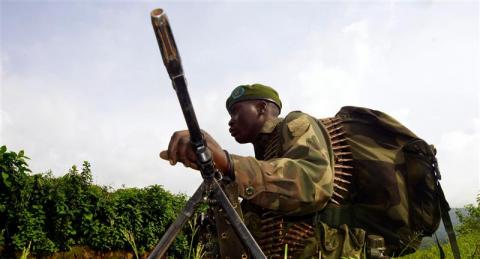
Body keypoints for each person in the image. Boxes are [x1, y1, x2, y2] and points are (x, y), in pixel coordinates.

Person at [160, 83, 366, 258]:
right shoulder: (265, 157)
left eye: (236, 112)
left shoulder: (296, 123)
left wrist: (228, 162)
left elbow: (314, 183)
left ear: (261, 108)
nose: (230, 121)